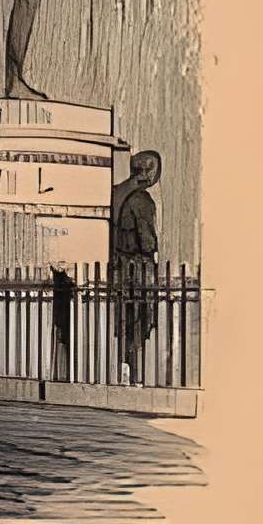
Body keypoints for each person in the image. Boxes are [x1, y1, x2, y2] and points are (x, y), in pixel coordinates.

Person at [109, 147, 165, 375]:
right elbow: (147, 241)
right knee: (140, 320)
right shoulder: (142, 199)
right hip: (137, 268)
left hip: (116, 265)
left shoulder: (115, 192)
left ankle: (120, 364)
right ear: (150, 173)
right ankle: (133, 369)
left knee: (120, 320)